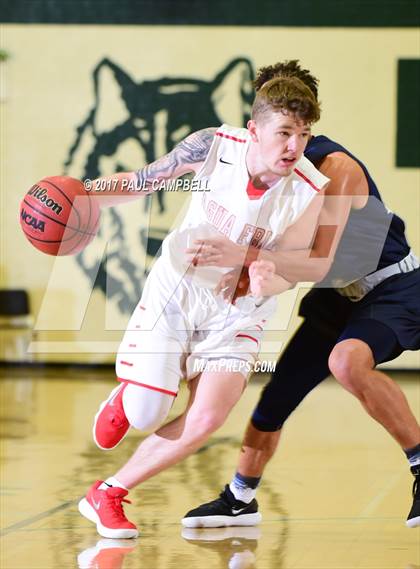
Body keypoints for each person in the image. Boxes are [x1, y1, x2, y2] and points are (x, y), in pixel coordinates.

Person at [78, 75, 330, 538]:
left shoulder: (311, 191)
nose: (295, 146)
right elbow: (141, 181)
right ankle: (130, 397)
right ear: (255, 131)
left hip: (239, 314)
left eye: (304, 135)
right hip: (177, 294)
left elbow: (298, 265)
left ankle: (108, 493)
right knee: (147, 414)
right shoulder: (214, 146)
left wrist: (265, 275)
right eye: (285, 132)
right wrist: (83, 190)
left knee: (209, 418)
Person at [181, 61, 420, 530]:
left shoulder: (336, 167)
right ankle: (239, 498)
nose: (290, 140)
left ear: (308, 119)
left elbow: (318, 258)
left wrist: (245, 255)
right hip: (338, 295)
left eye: (299, 128)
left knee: (346, 362)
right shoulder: (263, 170)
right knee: (277, 396)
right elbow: (282, 259)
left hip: (396, 285)